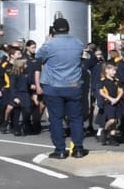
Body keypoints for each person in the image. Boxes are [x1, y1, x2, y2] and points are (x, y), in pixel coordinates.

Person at [36, 16, 88, 159]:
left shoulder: (50, 44)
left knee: (56, 119)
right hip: (73, 85)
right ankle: (77, 148)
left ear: (54, 29)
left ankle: (60, 150)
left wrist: (47, 40)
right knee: (76, 118)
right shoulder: (78, 43)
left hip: (54, 86)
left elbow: (38, 55)